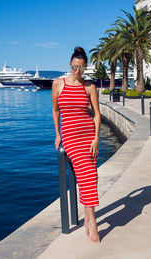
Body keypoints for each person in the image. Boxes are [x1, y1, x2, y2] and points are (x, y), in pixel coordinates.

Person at [51, 46, 101, 243]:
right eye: (74, 67)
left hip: (89, 136)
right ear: (70, 65)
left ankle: (89, 218)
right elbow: (56, 110)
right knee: (88, 174)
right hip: (71, 138)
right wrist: (57, 133)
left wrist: (97, 138)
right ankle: (93, 221)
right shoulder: (58, 84)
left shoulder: (89, 87)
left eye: (81, 68)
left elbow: (96, 115)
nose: (77, 72)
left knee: (91, 176)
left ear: (86, 67)